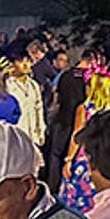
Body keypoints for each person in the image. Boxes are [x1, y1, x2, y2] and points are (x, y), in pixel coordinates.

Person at [60, 66, 110, 215]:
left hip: (85, 158)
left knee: (77, 197)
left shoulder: (84, 109)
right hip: (105, 157)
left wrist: (69, 159)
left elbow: (77, 136)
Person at [46, 46, 91, 191]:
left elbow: (56, 97)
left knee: (55, 155)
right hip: (80, 121)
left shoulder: (65, 75)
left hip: (62, 119)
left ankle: (53, 186)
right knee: (72, 155)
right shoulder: (88, 78)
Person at [5, 47, 46, 150]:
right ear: (11, 64)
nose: (25, 64)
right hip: (15, 133)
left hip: (32, 133)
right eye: (20, 61)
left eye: (27, 61)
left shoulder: (33, 85)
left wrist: (41, 130)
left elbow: (38, 108)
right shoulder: (7, 84)